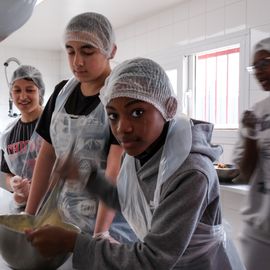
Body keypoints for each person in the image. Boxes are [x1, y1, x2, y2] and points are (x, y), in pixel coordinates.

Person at [26, 57, 245, 269]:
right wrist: (86, 178)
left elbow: (153, 259)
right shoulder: (142, 154)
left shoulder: (191, 172)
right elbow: (129, 201)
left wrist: (72, 243)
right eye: (113, 115)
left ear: (168, 107)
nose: (123, 128)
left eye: (137, 112)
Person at [25, 12, 136, 243]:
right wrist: (30, 215)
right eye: (70, 51)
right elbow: (47, 156)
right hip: (64, 221)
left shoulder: (120, 97)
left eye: (87, 51)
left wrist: (99, 235)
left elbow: (114, 170)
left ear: (111, 51)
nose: (77, 61)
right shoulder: (61, 93)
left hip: (110, 226)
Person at [233, 37, 270, 270]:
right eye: (254, 66)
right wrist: (250, 136)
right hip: (258, 229)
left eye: (264, 62)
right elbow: (245, 175)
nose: (258, 71)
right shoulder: (255, 113)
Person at [0, 65, 45, 208]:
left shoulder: (54, 124)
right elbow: (6, 172)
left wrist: (36, 189)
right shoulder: (8, 134)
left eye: (30, 90)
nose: (23, 96)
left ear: (40, 92)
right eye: (17, 90)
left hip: (55, 207)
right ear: (11, 94)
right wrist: (14, 185)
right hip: (23, 207)